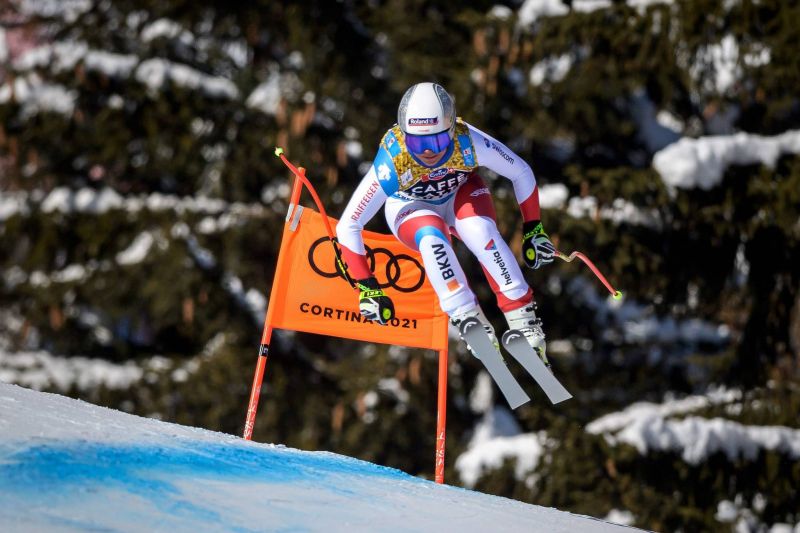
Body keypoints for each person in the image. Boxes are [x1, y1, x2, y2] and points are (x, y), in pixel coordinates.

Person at [335, 82, 556, 364]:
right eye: (417, 143)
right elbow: (349, 225)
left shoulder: (468, 141)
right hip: (410, 206)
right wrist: (367, 287)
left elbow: (521, 172)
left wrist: (533, 228)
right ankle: (468, 320)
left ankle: (524, 320)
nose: (427, 152)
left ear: (452, 130)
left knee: (481, 232)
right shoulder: (394, 160)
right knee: (432, 237)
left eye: (437, 142)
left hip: (459, 193)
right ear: (404, 136)